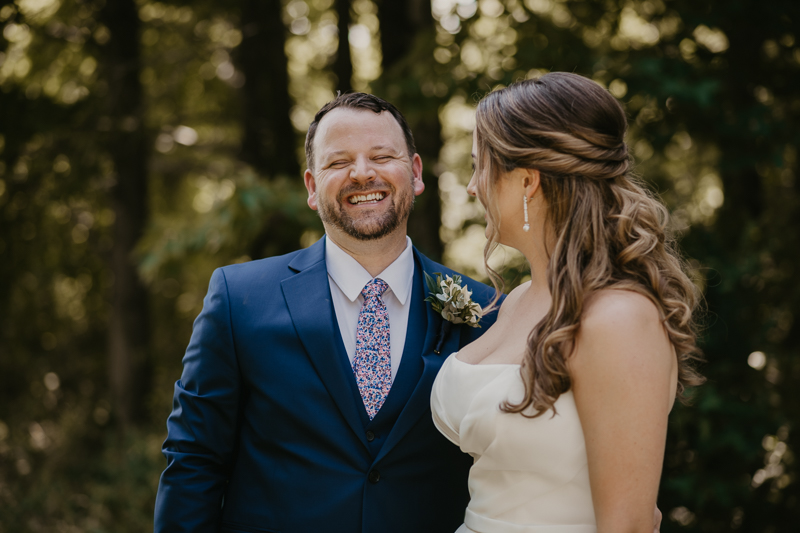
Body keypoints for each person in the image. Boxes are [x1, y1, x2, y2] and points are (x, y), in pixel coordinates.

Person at [153, 93, 500, 533]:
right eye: (338, 162)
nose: (362, 172)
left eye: (381, 155)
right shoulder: (238, 298)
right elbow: (194, 460)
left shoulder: (485, 311)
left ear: (414, 173)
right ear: (313, 188)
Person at [431, 72, 704, 533]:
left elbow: (630, 525)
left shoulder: (620, 319)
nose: (473, 187)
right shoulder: (519, 300)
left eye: (480, 167)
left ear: (527, 182)